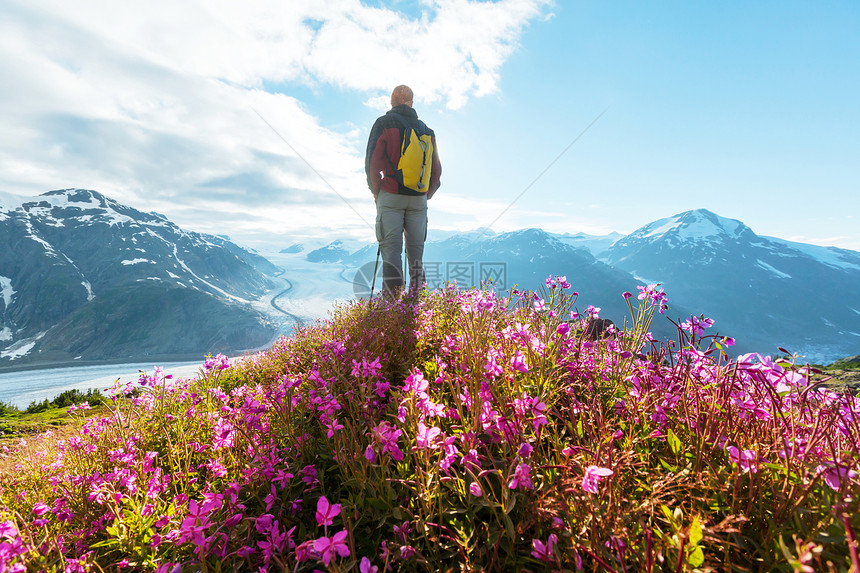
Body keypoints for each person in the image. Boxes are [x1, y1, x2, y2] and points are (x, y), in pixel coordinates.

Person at [365, 85, 442, 296]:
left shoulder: (383, 123)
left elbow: (372, 162)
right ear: (411, 103)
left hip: (391, 195)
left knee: (391, 253)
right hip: (418, 199)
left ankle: (392, 308)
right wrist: (426, 194)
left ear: (392, 102)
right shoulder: (427, 131)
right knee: (416, 255)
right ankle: (417, 304)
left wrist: (377, 191)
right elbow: (436, 170)